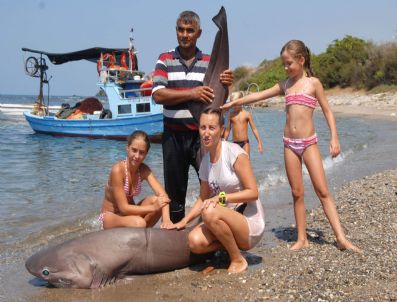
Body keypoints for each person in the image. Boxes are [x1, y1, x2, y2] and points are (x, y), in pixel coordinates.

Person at [222, 40, 360, 252]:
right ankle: (301, 238)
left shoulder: (313, 84)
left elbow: (328, 112)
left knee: (322, 190)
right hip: (289, 145)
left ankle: (341, 237)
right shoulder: (285, 85)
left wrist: (334, 138)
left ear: (301, 60)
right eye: (284, 65)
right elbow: (259, 94)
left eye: (289, 64)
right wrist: (234, 103)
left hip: (309, 143)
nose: (286, 68)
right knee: (296, 193)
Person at [152, 10, 234, 223]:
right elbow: (158, 95)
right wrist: (192, 93)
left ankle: (218, 229)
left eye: (190, 30)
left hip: (202, 138)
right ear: (176, 31)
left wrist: (227, 83)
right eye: (181, 29)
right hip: (173, 138)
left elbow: (221, 98)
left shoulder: (209, 61)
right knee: (175, 193)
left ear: (199, 33)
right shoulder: (165, 59)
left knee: (215, 186)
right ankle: (176, 235)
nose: (185, 34)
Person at [172, 108, 265, 273]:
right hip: (225, 221)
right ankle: (228, 248)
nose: (206, 133)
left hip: (249, 223)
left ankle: (237, 259)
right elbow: (202, 198)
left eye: (212, 128)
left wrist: (220, 199)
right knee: (194, 242)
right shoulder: (205, 162)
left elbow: (253, 192)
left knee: (209, 211)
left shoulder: (235, 153)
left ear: (221, 130)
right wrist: (184, 221)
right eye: (203, 128)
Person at [99, 130, 172, 229]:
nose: (137, 156)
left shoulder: (144, 170)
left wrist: (166, 220)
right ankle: (140, 228)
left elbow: (163, 196)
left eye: (142, 152)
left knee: (156, 201)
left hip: (129, 216)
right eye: (134, 150)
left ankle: (142, 233)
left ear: (146, 153)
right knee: (140, 223)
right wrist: (152, 208)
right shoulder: (117, 170)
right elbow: (123, 208)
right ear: (127, 148)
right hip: (111, 217)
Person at [223, 91, 264, 156]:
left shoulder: (247, 114)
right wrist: (224, 142)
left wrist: (259, 143)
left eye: (236, 103)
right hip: (235, 143)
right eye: (233, 104)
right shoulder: (231, 115)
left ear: (241, 101)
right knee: (236, 163)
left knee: (247, 161)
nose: (234, 106)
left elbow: (254, 129)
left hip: (245, 143)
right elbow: (227, 130)